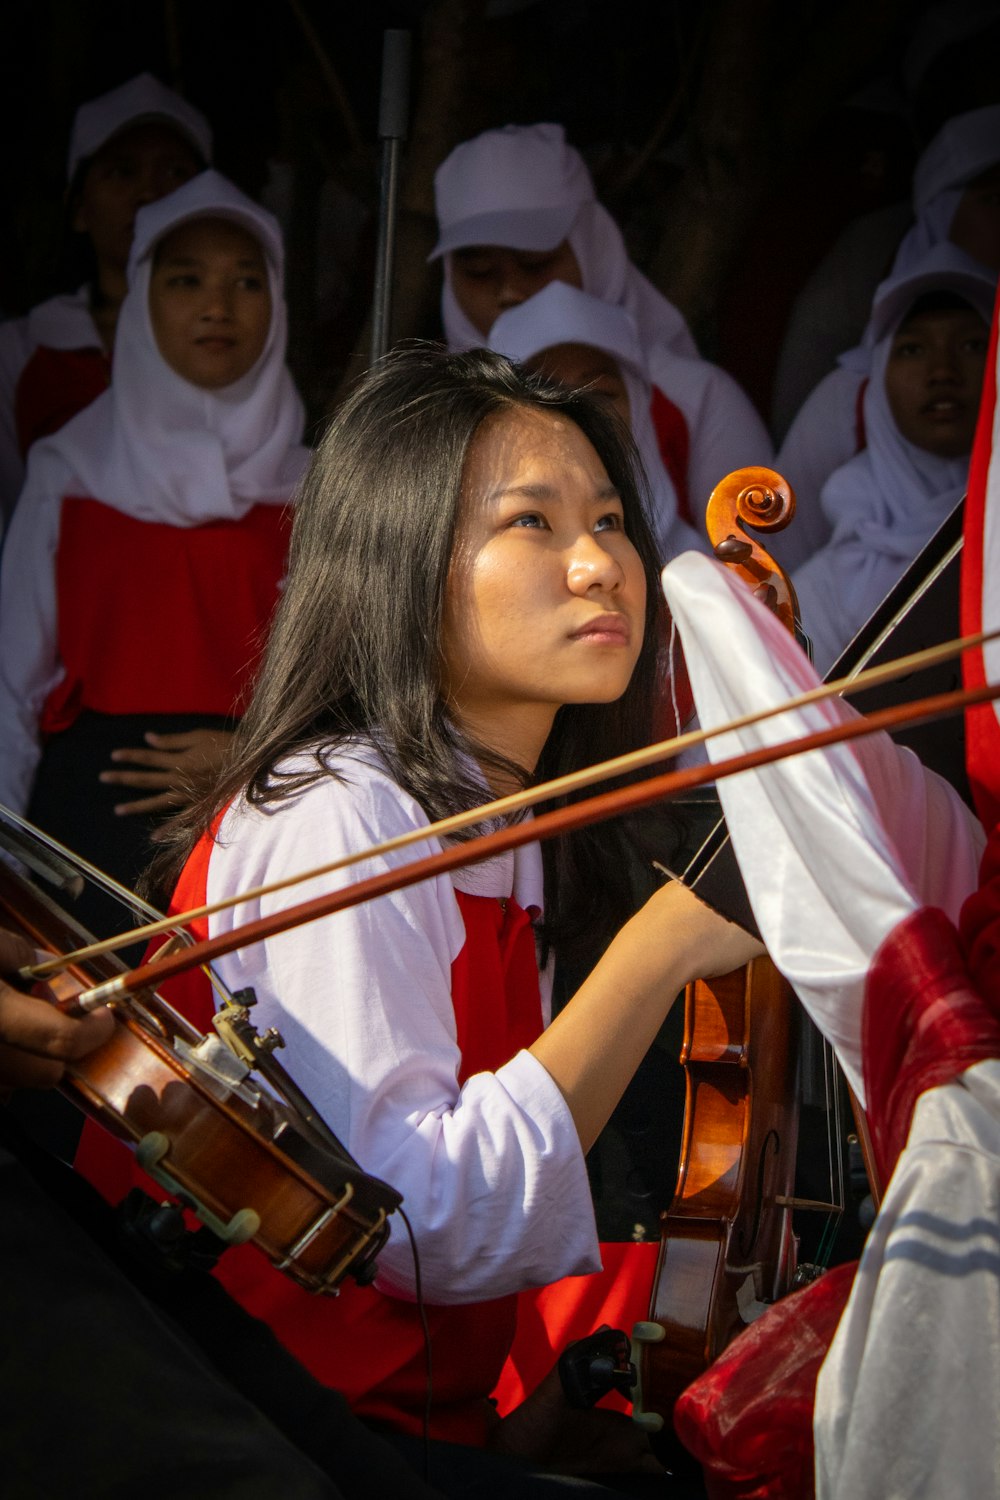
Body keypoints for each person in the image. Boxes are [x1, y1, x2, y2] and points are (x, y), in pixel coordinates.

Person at [75, 344, 758, 1489]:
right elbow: (410, 1223)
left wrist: (516, 1414)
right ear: (405, 565)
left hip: (401, 1426)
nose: (600, 566)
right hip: (256, 1430)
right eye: (532, 524)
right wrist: (660, 952)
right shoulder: (347, 804)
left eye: (607, 519)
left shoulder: (500, 812)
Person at [0, 170, 308, 934]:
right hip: (85, 835)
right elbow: (10, 690)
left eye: (246, 280)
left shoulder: (320, 483)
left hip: (262, 825)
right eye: (185, 279)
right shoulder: (68, 468)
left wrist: (255, 758)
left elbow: (354, 684)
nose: (217, 305)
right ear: (139, 301)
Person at [430, 124, 774, 526]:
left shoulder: (694, 399)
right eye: (479, 271)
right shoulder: (433, 419)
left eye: (535, 264)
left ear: (596, 247)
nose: (509, 291)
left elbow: (758, 570)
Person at [774, 103, 1000, 568]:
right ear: (942, 212)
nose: (942, 371)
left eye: (972, 345)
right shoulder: (852, 398)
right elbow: (786, 561)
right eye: (994, 200)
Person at [0, 73, 211, 524]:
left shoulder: (234, 342)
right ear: (78, 208)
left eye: (175, 171)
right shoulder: (17, 352)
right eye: (122, 171)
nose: (149, 192)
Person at [791, 246, 994, 675]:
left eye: (974, 345)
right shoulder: (829, 583)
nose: (943, 371)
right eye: (913, 350)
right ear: (878, 383)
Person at [487, 281, 710, 561]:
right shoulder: (488, 556)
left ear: (638, 405)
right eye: (545, 394)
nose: (578, 412)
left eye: (601, 395)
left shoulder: (700, 586)